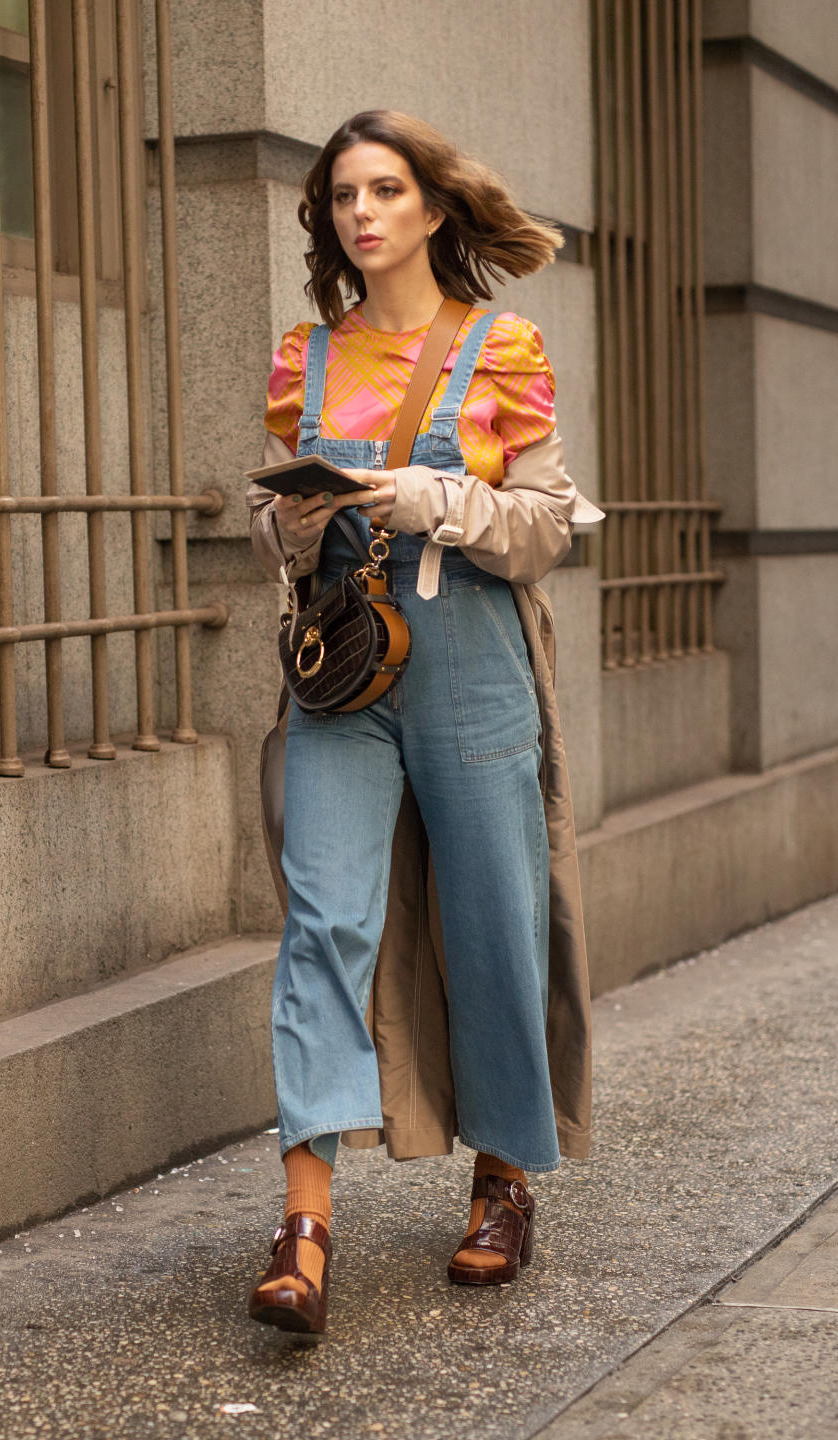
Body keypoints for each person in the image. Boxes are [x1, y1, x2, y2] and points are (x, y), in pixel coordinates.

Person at [246, 110, 600, 1336]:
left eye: (386, 190)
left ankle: (502, 1180)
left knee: (495, 919)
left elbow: (549, 526)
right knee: (322, 919)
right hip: (343, 672)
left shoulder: (500, 348)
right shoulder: (308, 358)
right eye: (344, 194)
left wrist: (434, 495)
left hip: (472, 664)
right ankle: (305, 1228)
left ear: (433, 209)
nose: (363, 213)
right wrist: (290, 527)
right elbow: (272, 524)